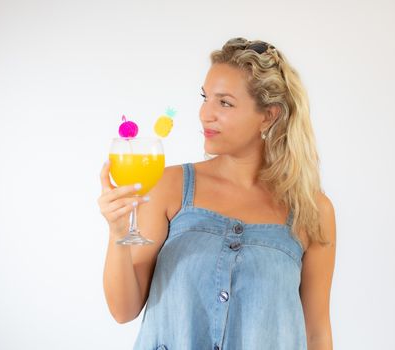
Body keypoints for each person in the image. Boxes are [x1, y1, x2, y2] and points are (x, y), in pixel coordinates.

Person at [98, 37, 336, 350]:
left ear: (268, 115)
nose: (205, 114)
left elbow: (316, 332)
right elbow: (123, 310)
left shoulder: (312, 209)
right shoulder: (169, 187)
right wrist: (117, 234)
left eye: (224, 103)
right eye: (205, 97)